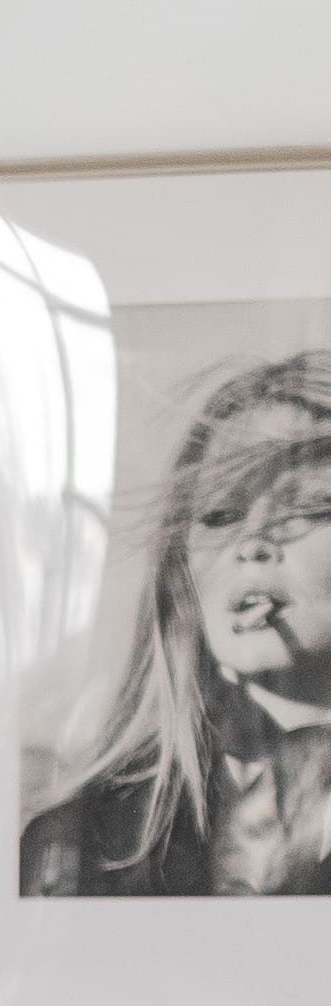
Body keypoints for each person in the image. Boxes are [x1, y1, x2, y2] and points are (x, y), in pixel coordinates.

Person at [21, 351, 331, 894]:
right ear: (180, 571)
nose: (252, 542)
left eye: (303, 509)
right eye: (219, 515)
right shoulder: (82, 842)